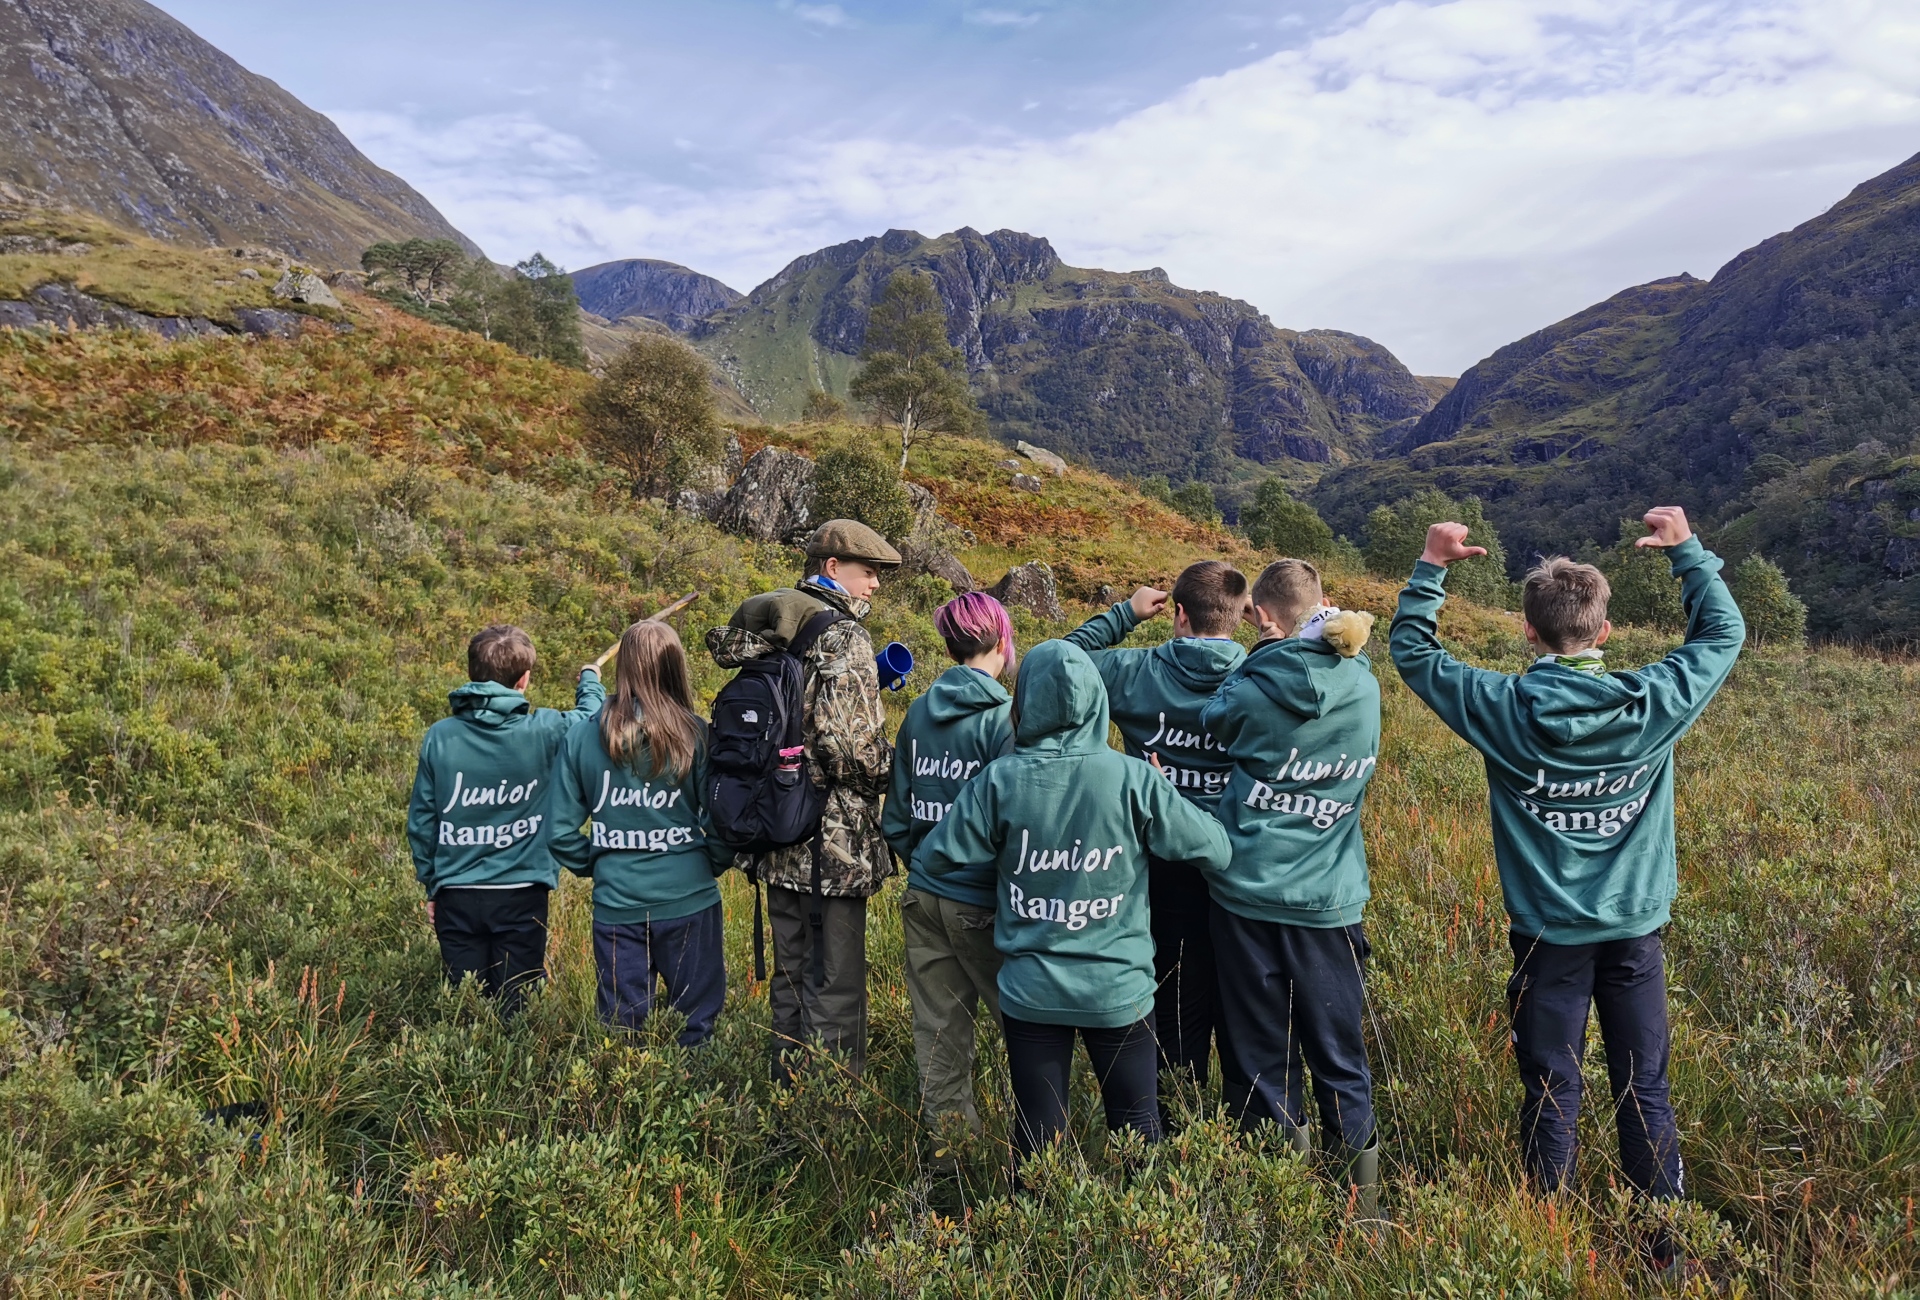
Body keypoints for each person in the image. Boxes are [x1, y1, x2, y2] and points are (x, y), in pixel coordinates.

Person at [1390, 508, 1744, 1273]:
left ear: (1527, 633)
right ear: (1606, 633)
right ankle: (1667, 1252)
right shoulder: (1652, 702)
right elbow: (1722, 637)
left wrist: (1431, 567)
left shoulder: (1501, 708)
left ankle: (1544, 1241)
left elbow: (1412, 652)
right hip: (1633, 932)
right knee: (1643, 1086)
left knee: (1550, 1086)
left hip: (1546, 937)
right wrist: (1688, 557)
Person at [913, 639, 1232, 1180]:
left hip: (1032, 991)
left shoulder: (1000, 780)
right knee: (1137, 1128)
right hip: (1119, 990)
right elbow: (1216, 849)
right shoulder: (1133, 779)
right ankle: (1145, 1246)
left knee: (1037, 1136)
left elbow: (935, 856)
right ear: (1097, 703)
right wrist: (1161, 787)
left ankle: (1034, 1249)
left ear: (1024, 701)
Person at [1198, 558, 1384, 1209]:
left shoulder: (1250, 686)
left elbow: (1213, 720)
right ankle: (1362, 1217)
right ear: (1324, 608)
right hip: (1329, 904)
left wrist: (1258, 657)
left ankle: (1277, 1210)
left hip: (1245, 898)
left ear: (1261, 617)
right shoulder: (1363, 686)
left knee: (1259, 1061)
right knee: (1341, 1057)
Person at [707, 519, 899, 1080]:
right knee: (835, 986)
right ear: (832, 568)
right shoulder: (843, 637)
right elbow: (851, 750)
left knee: (791, 980)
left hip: (773, 832)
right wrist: (896, 770)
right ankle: (829, 1122)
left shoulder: (769, 627)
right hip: (831, 850)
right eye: (869, 573)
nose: (876, 586)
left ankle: (785, 1098)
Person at [1063, 560, 1248, 1119]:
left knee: (1169, 997)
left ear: (1181, 613)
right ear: (1239, 618)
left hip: (1158, 863)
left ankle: (1176, 1117)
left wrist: (1124, 613)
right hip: (1241, 862)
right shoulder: (1263, 676)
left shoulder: (1131, 670)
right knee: (1245, 1004)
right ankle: (1247, 1131)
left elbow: (1059, 665)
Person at [549, 620, 734, 1045]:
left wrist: (599, 864)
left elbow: (559, 832)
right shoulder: (698, 735)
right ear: (676, 667)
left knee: (620, 1027)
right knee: (697, 1023)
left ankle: (621, 1103)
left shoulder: (582, 738)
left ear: (624, 668)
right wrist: (711, 862)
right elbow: (722, 819)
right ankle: (698, 1104)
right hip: (689, 899)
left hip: (617, 905)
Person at [407, 623, 604, 1015]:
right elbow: (593, 718)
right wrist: (590, 679)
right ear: (525, 679)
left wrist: (433, 883)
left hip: (456, 894)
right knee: (517, 1004)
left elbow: (422, 821)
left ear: (471, 672)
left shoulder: (440, 736)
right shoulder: (548, 729)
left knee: (466, 1007)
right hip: (522, 894)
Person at [882, 592, 1017, 1136]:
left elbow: (896, 815)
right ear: (1002, 642)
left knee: (938, 1041)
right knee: (1028, 1032)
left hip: (924, 896)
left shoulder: (918, 713)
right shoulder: (1004, 721)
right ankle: (1037, 1158)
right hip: (984, 903)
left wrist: (925, 864)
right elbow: (1014, 822)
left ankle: (952, 1167)